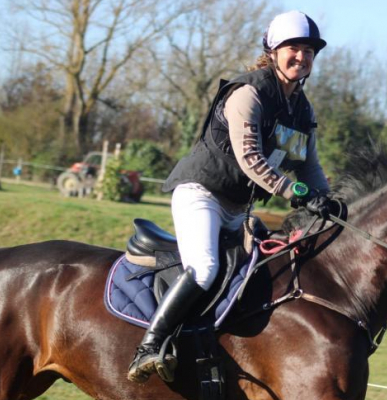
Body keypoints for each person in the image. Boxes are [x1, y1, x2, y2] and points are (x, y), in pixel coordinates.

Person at [128, 10, 333, 383]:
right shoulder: (249, 92)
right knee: (205, 268)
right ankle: (149, 346)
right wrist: (297, 193)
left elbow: (308, 167)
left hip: (237, 208)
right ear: (272, 50)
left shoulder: (301, 110)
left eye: (308, 51)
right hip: (201, 194)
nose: (302, 57)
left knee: (254, 277)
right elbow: (251, 158)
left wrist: (328, 200)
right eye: (293, 48)